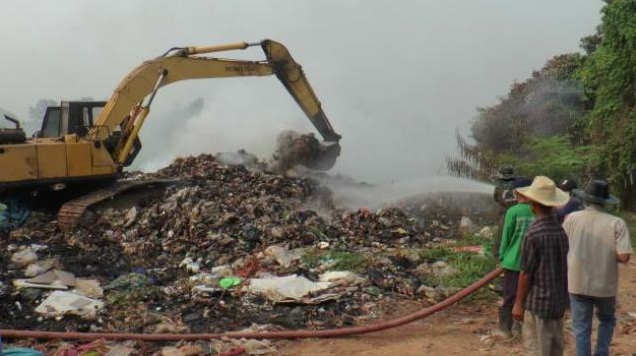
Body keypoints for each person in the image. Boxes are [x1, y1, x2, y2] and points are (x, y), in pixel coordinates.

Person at [563, 179, 633, 356]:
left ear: (585, 200)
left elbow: (563, 245)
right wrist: (607, 253)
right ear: (605, 202)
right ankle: (601, 353)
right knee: (607, 320)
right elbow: (624, 256)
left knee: (581, 326)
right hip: (605, 285)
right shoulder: (617, 223)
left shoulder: (571, 218)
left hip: (577, 281)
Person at [512, 176, 570, 356]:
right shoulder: (560, 231)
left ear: (533, 204)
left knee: (536, 348)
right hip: (558, 303)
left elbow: (526, 274)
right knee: (554, 348)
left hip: (538, 303)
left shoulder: (533, 234)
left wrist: (518, 304)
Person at [497, 176, 534, 336]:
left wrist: (502, 256)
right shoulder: (537, 210)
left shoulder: (512, 211)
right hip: (533, 263)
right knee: (528, 295)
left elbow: (506, 237)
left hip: (513, 262)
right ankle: (523, 328)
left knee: (510, 295)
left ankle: (506, 328)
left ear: (517, 192)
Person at [492, 166, 517, 261]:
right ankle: (512, 253)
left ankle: (498, 256)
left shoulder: (498, 185)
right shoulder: (517, 184)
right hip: (517, 211)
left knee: (502, 233)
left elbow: (496, 198)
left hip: (505, 212)